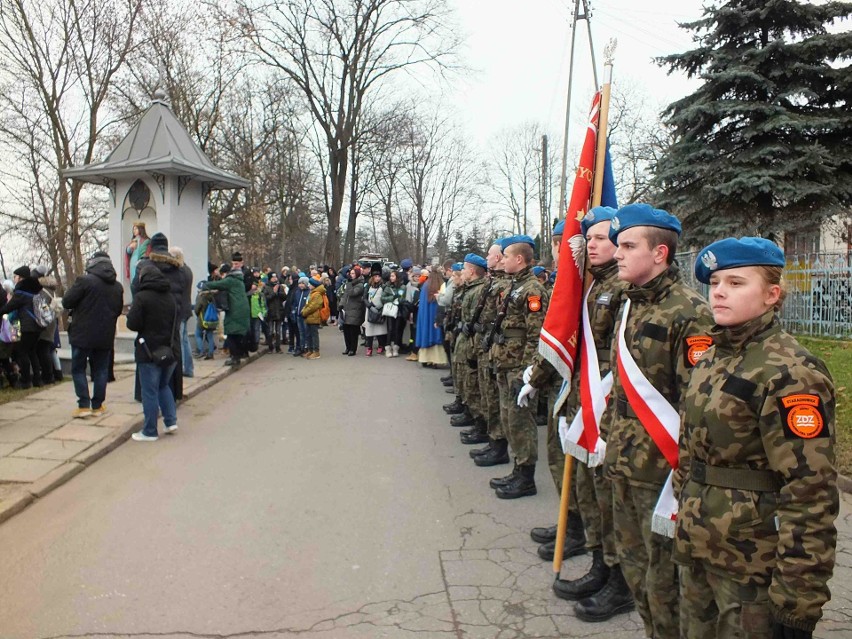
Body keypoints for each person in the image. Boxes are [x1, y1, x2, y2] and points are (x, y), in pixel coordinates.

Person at [676, 237, 838, 639]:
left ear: (771, 294)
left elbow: (810, 491)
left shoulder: (791, 371)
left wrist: (798, 601)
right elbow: (690, 451)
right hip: (700, 547)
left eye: (736, 283)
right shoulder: (713, 355)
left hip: (751, 565)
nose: (719, 292)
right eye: (715, 283)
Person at [599, 203, 714, 639]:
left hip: (661, 471)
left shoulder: (690, 313)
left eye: (628, 246)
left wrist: (684, 479)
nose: (618, 254)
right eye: (618, 245)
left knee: (666, 581)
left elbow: (695, 406)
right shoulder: (632, 305)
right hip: (626, 460)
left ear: (660, 254)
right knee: (637, 571)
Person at [540, 211, 634, 619]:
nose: (589, 244)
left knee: (608, 499)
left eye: (599, 238)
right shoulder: (592, 283)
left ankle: (618, 578)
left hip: (607, 409)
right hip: (586, 402)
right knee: (589, 491)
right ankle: (600, 563)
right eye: (587, 237)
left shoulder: (623, 290)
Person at [487, 235, 549, 499]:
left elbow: (536, 335)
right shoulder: (515, 286)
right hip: (505, 361)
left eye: (507, 256)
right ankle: (517, 468)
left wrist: (528, 371)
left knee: (521, 421)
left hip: (517, 365)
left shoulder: (532, 290)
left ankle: (526, 477)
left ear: (520, 259)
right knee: (509, 418)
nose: (503, 260)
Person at [61, 252, 124, 417]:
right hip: (105, 335)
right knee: (101, 370)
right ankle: (97, 405)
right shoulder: (117, 287)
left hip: (82, 334)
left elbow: (67, 301)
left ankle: (83, 405)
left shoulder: (84, 281)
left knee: (78, 369)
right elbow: (118, 310)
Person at [467, 241, 512, 468]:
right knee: (488, 396)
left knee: (495, 400)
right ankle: (492, 440)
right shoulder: (494, 283)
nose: (488, 257)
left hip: (501, 351)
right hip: (488, 345)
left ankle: (498, 445)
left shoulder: (506, 285)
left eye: (491, 254)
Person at [126, 263, 179, 441]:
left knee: (149, 391)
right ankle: (171, 421)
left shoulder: (142, 297)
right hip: (169, 350)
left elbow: (132, 324)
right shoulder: (170, 297)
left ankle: (150, 431)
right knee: (164, 386)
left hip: (148, 351)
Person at [452, 254, 488, 444]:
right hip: (464, 340)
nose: (462, 272)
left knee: (473, 385)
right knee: (466, 381)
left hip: (472, 343)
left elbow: (479, 319)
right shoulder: (470, 289)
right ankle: (474, 420)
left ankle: (481, 427)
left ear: (472, 271)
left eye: (465, 269)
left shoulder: (479, 290)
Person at [0, 266, 45, 389]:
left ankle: (25, 381)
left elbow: (9, 307)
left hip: (26, 326)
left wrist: (2, 311)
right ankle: (37, 379)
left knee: (21, 352)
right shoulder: (34, 290)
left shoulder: (20, 292)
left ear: (20, 278)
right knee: (32, 352)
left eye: (15, 276)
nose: (14, 279)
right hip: (37, 325)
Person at [203, 263, 250, 367]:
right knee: (238, 335)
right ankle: (239, 355)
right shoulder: (239, 281)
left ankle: (234, 358)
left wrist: (204, 284)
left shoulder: (231, 280)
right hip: (242, 310)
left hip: (235, 311)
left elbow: (217, 284)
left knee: (230, 333)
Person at [31, 265, 63, 385]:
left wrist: (40, 322)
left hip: (45, 323)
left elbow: (42, 307)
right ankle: (52, 374)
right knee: (47, 349)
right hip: (51, 322)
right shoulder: (50, 290)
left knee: (43, 350)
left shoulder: (42, 292)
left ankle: (48, 376)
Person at [168, 246, 194, 378]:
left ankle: (183, 367)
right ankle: (189, 368)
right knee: (185, 340)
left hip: (180, 309)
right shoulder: (187, 270)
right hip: (187, 307)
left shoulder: (179, 271)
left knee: (180, 340)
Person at [415, 269, 446, 367]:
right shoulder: (442, 285)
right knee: (436, 333)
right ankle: (435, 360)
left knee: (426, 331)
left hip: (425, 315)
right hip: (436, 314)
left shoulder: (425, 286)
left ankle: (425, 359)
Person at [363, 268, 389, 356]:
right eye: (375, 276)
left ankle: (381, 345)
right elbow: (364, 297)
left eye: (379, 276)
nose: (377, 278)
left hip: (380, 310)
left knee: (380, 330)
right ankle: (369, 347)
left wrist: (381, 307)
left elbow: (387, 296)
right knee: (369, 329)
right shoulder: (368, 286)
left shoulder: (384, 286)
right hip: (370, 310)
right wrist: (368, 305)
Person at [341, 266, 366, 356]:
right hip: (347, 309)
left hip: (355, 309)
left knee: (353, 331)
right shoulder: (349, 283)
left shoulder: (360, 284)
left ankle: (353, 349)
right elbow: (345, 295)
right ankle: (348, 347)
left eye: (353, 274)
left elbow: (352, 293)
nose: (351, 275)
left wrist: (349, 284)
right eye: (350, 273)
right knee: (346, 330)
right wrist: (341, 304)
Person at [300, 277, 326, 359]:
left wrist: (304, 312)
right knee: (308, 335)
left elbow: (313, 306)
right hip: (309, 317)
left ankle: (316, 351)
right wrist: (304, 309)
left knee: (314, 335)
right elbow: (307, 304)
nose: (308, 285)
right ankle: (310, 350)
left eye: (310, 284)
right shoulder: (311, 293)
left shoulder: (317, 294)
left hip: (314, 316)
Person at [384, 270, 406, 357]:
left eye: (393, 276)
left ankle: (396, 347)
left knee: (397, 329)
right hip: (390, 310)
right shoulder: (387, 286)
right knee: (390, 329)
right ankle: (388, 347)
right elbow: (383, 298)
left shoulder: (402, 287)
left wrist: (397, 298)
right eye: (390, 276)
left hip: (399, 310)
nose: (391, 278)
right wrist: (392, 298)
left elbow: (401, 298)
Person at [263, 271, 286, 353]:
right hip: (270, 311)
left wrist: (279, 292)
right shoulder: (266, 287)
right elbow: (266, 298)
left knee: (278, 331)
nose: (275, 279)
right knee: (270, 330)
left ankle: (278, 347)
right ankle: (270, 347)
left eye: (276, 277)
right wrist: (274, 292)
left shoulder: (280, 286)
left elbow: (284, 297)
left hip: (279, 311)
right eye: (273, 277)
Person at [291, 276, 310, 357]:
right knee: (300, 332)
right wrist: (294, 310)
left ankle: (307, 348)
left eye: (303, 283)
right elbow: (295, 302)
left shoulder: (309, 292)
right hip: (298, 315)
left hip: (305, 316)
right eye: (300, 283)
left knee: (306, 332)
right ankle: (301, 348)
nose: (301, 285)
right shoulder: (297, 292)